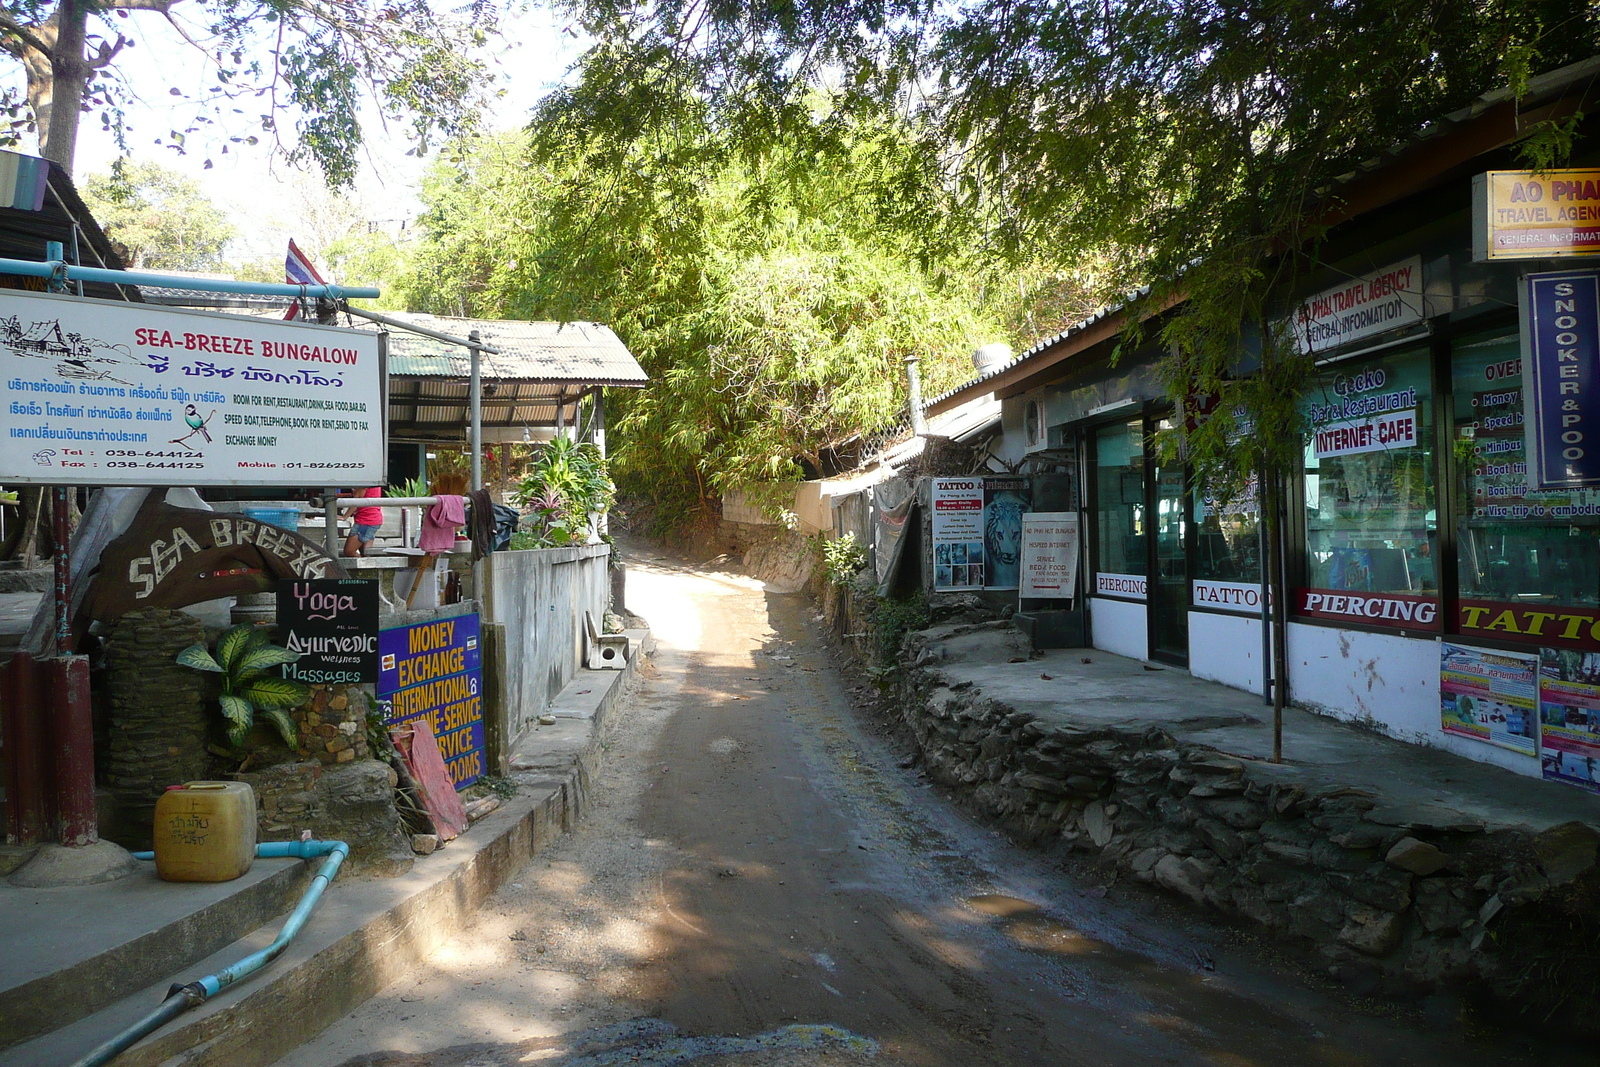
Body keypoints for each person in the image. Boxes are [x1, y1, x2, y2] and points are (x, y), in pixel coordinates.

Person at [343, 486, 383, 557]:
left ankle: (365, 565)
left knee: (349, 551)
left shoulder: (365, 481)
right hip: (372, 519)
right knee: (365, 553)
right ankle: (369, 566)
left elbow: (357, 500)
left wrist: (344, 517)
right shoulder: (375, 480)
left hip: (365, 520)